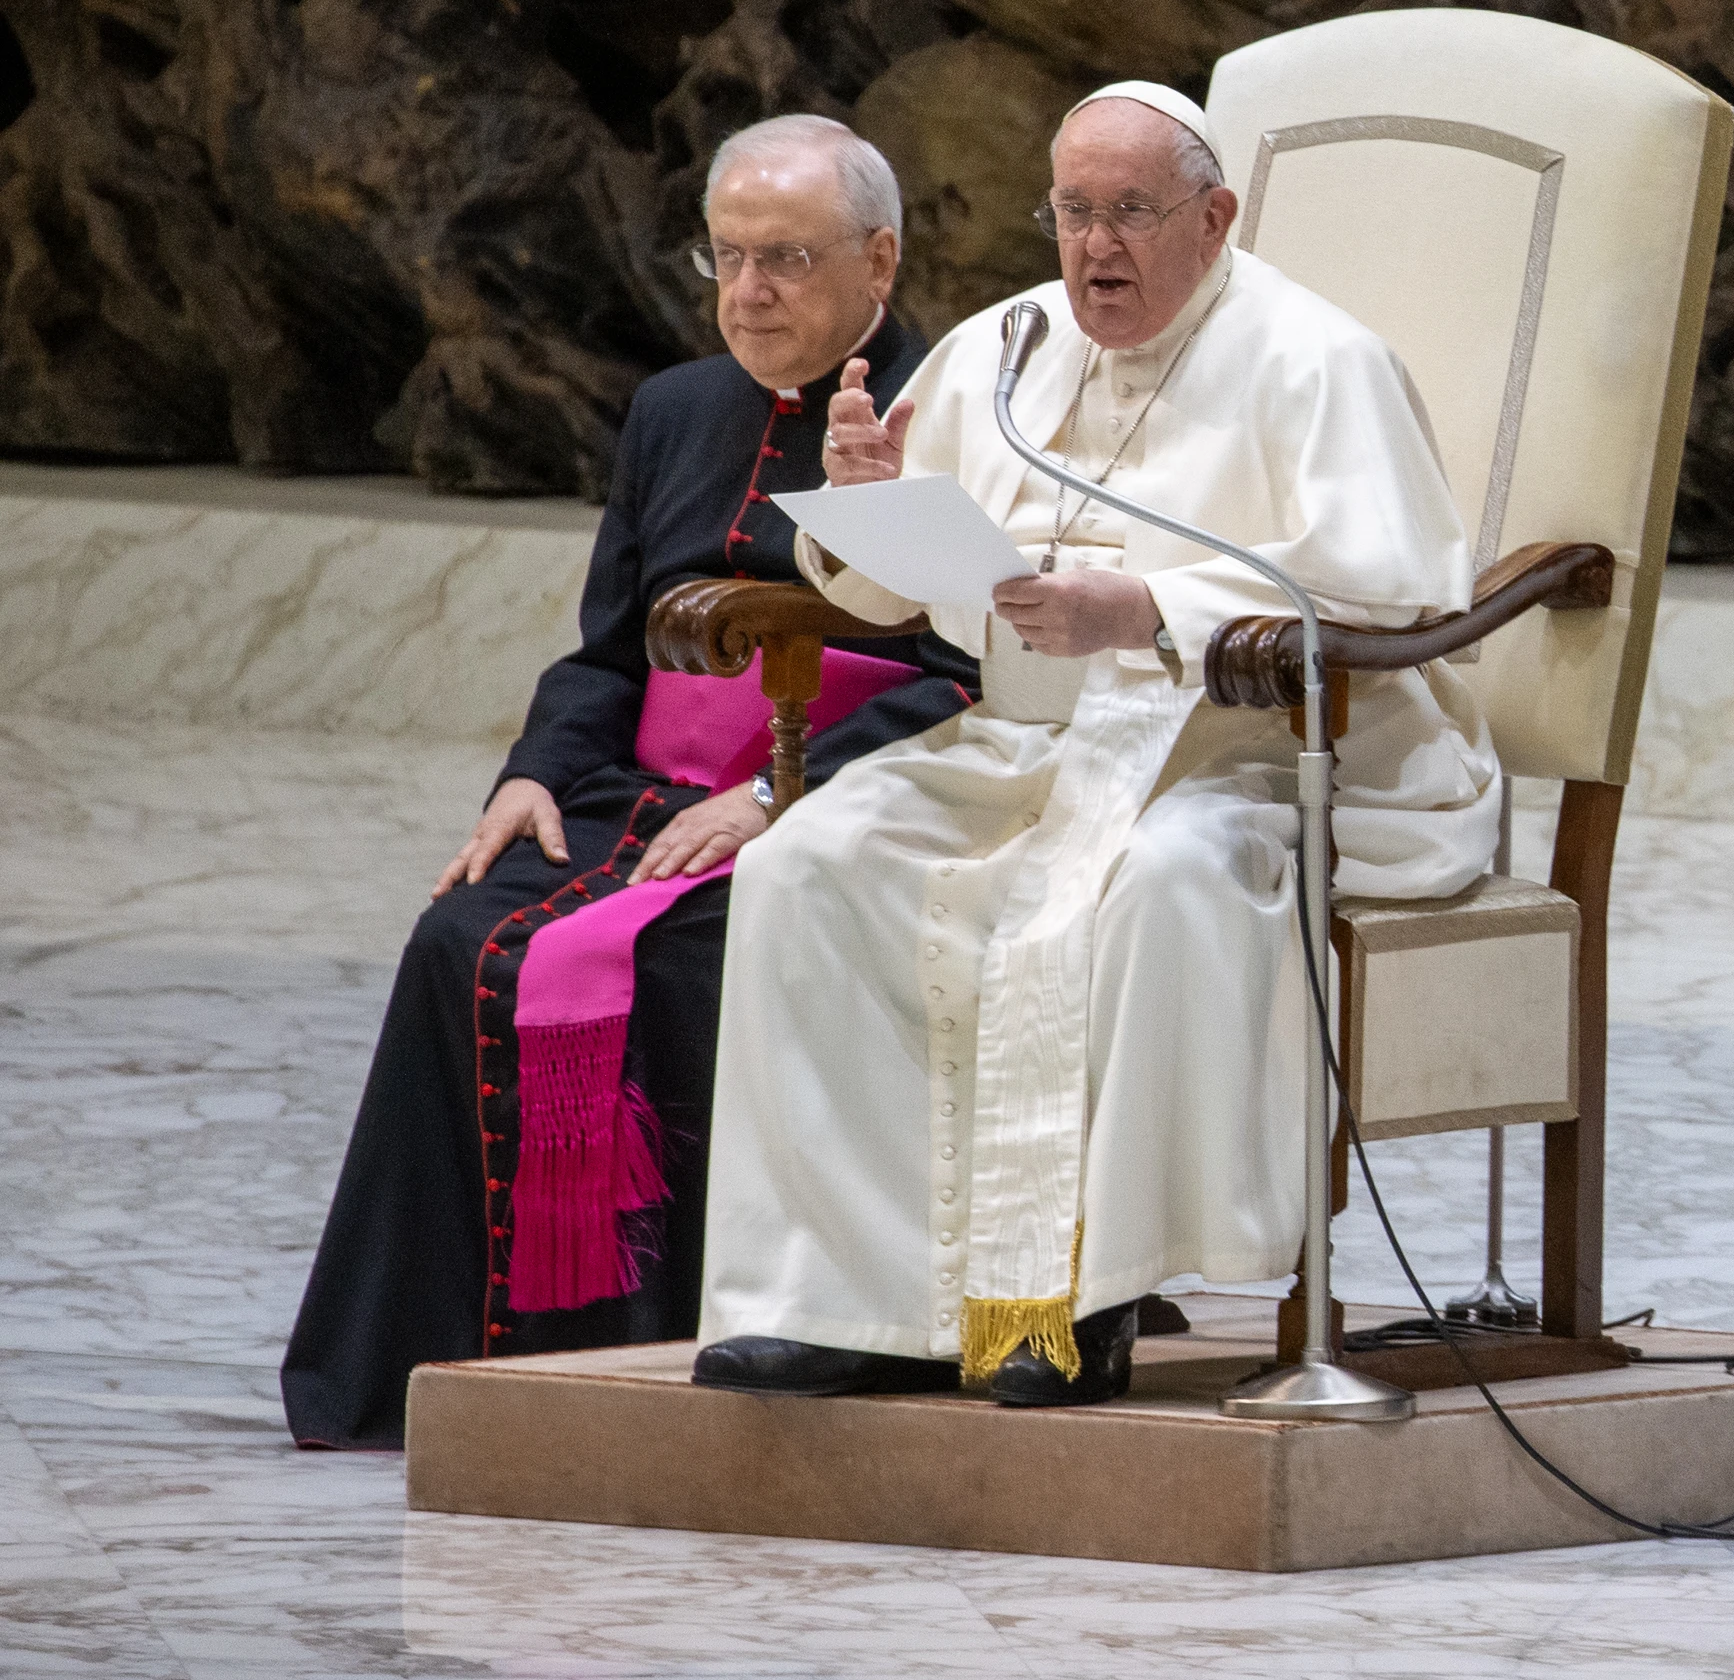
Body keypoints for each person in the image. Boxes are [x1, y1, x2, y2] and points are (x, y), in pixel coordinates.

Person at [689, 80, 1498, 1407]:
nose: (1094, 248)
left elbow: (1394, 588)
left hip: (1248, 748)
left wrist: (1154, 611)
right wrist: (861, 508)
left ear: (1214, 215)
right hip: (1024, 744)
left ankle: (1080, 1302)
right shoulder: (1005, 344)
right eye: (1072, 212)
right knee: (811, 862)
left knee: (1151, 886)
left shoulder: (1315, 359)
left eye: (1131, 212)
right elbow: (895, 596)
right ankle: (851, 1300)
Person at [281, 116, 979, 1449]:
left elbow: (962, 667)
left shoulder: (944, 411)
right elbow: (606, 649)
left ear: (877, 260)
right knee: (460, 934)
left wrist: (783, 795)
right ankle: (437, 1369)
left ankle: (680, 1362)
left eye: (786, 258)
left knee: (695, 960)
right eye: (727, 258)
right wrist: (531, 776)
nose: (750, 291)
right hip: (642, 799)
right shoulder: (676, 409)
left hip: (838, 793)